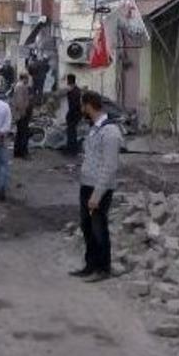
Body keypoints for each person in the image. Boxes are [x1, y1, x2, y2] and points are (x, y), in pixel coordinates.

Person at [70, 90, 123, 283]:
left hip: (99, 188)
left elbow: (110, 167)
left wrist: (97, 195)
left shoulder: (110, 132)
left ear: (89, 106)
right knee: (87, 227)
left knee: (99, 228)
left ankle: (103, 267)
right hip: (87, 185)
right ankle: (90, 265)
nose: (81, 109)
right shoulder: (94, 128)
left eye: (82, 105)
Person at [11, 73, 33, 159]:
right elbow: (20, 101)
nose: (28, 81)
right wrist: (23, 112)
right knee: (24, 133)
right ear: (24, 78)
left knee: (20, 133)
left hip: (19, 113)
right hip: (22, 113)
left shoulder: (19, 86)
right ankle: (24, 152)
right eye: (27, 79)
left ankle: (17, 152)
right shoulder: (21, 86)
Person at [64, 74, 82, 155]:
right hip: (75, 114)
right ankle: (72, 149)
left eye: (67, 80)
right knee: (72, 132)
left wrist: (68, 115)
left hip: (73, 114)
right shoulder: (76, 90)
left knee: (71, 132)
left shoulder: (74, 91)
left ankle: (71, 150)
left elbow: (74, 105)